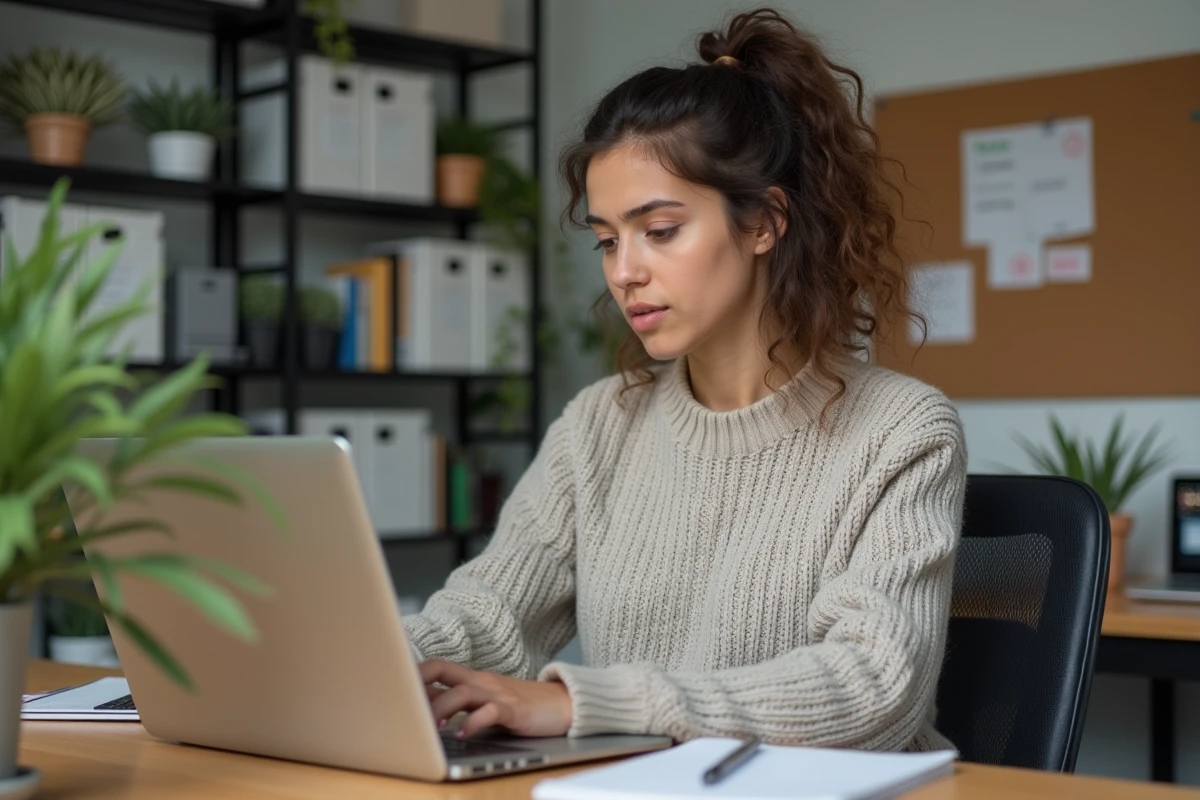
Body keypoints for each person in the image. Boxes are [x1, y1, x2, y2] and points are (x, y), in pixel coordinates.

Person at [406, 6, 967, 753]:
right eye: (608, 240)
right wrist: (376, 659)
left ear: (765, 222)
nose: (625, 271)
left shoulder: (901, 431)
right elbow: (488, 616)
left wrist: (584, 704)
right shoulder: (600, 423)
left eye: (660, 230)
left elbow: (873, 687)